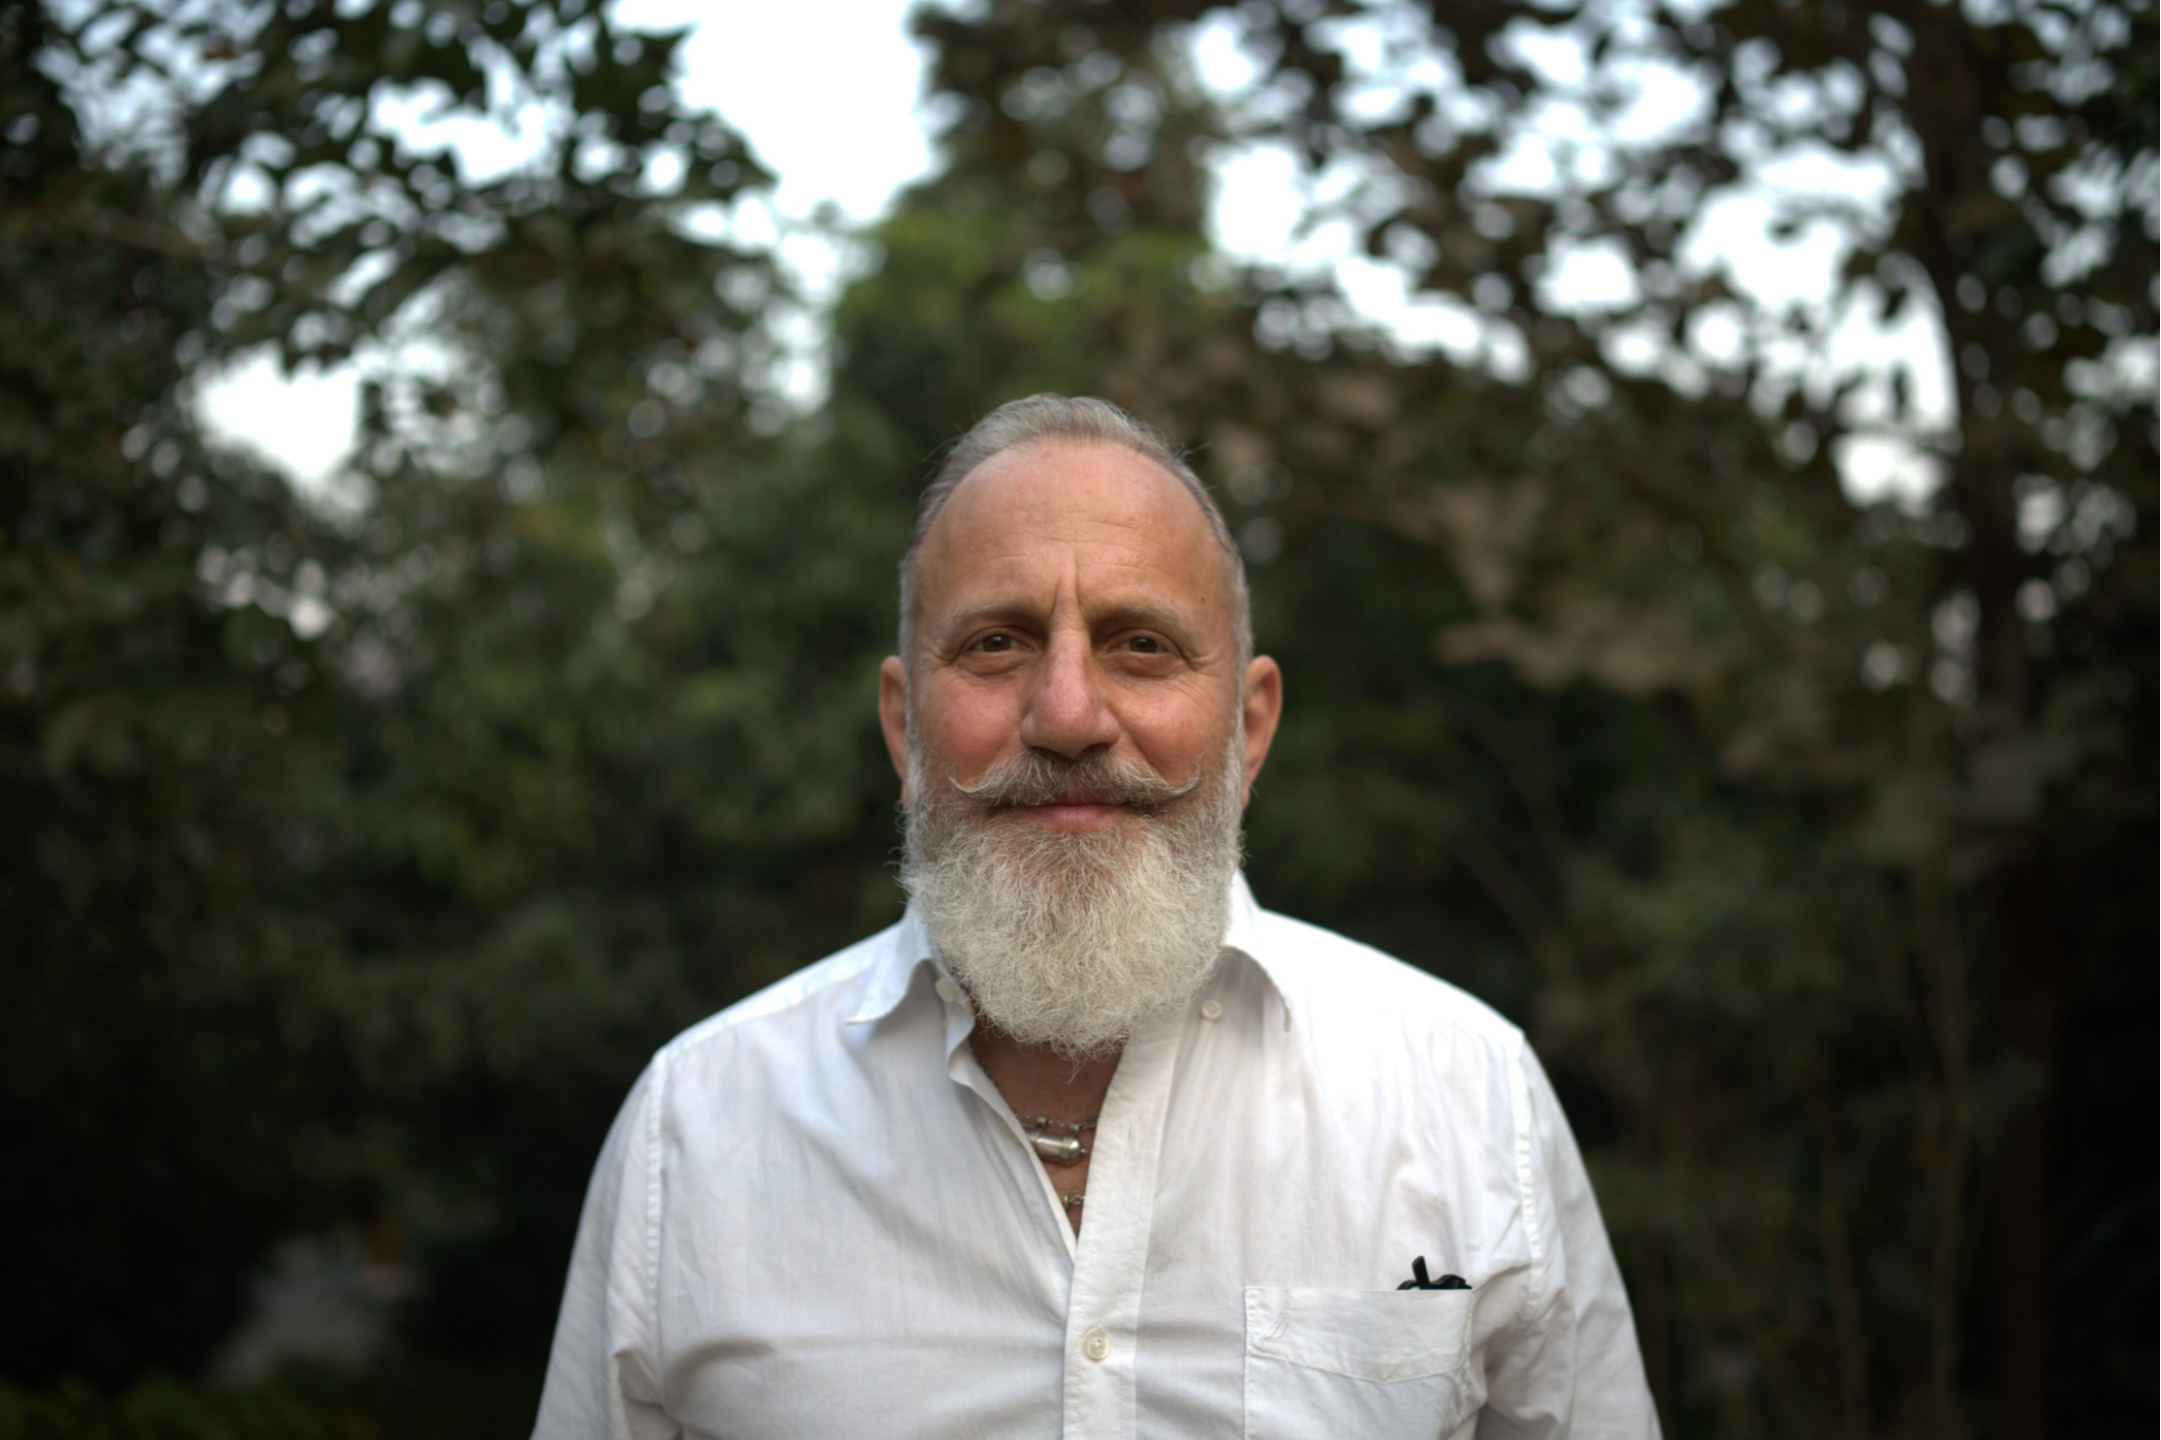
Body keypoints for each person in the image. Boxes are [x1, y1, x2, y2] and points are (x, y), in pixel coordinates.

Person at [533, 394, 1661, 1438]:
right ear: (903, 726)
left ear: (1249, 729)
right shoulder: (699, 1129)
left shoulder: (1467, 1096)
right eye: (996, 643)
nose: (1068, 715)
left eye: (1142, 646)